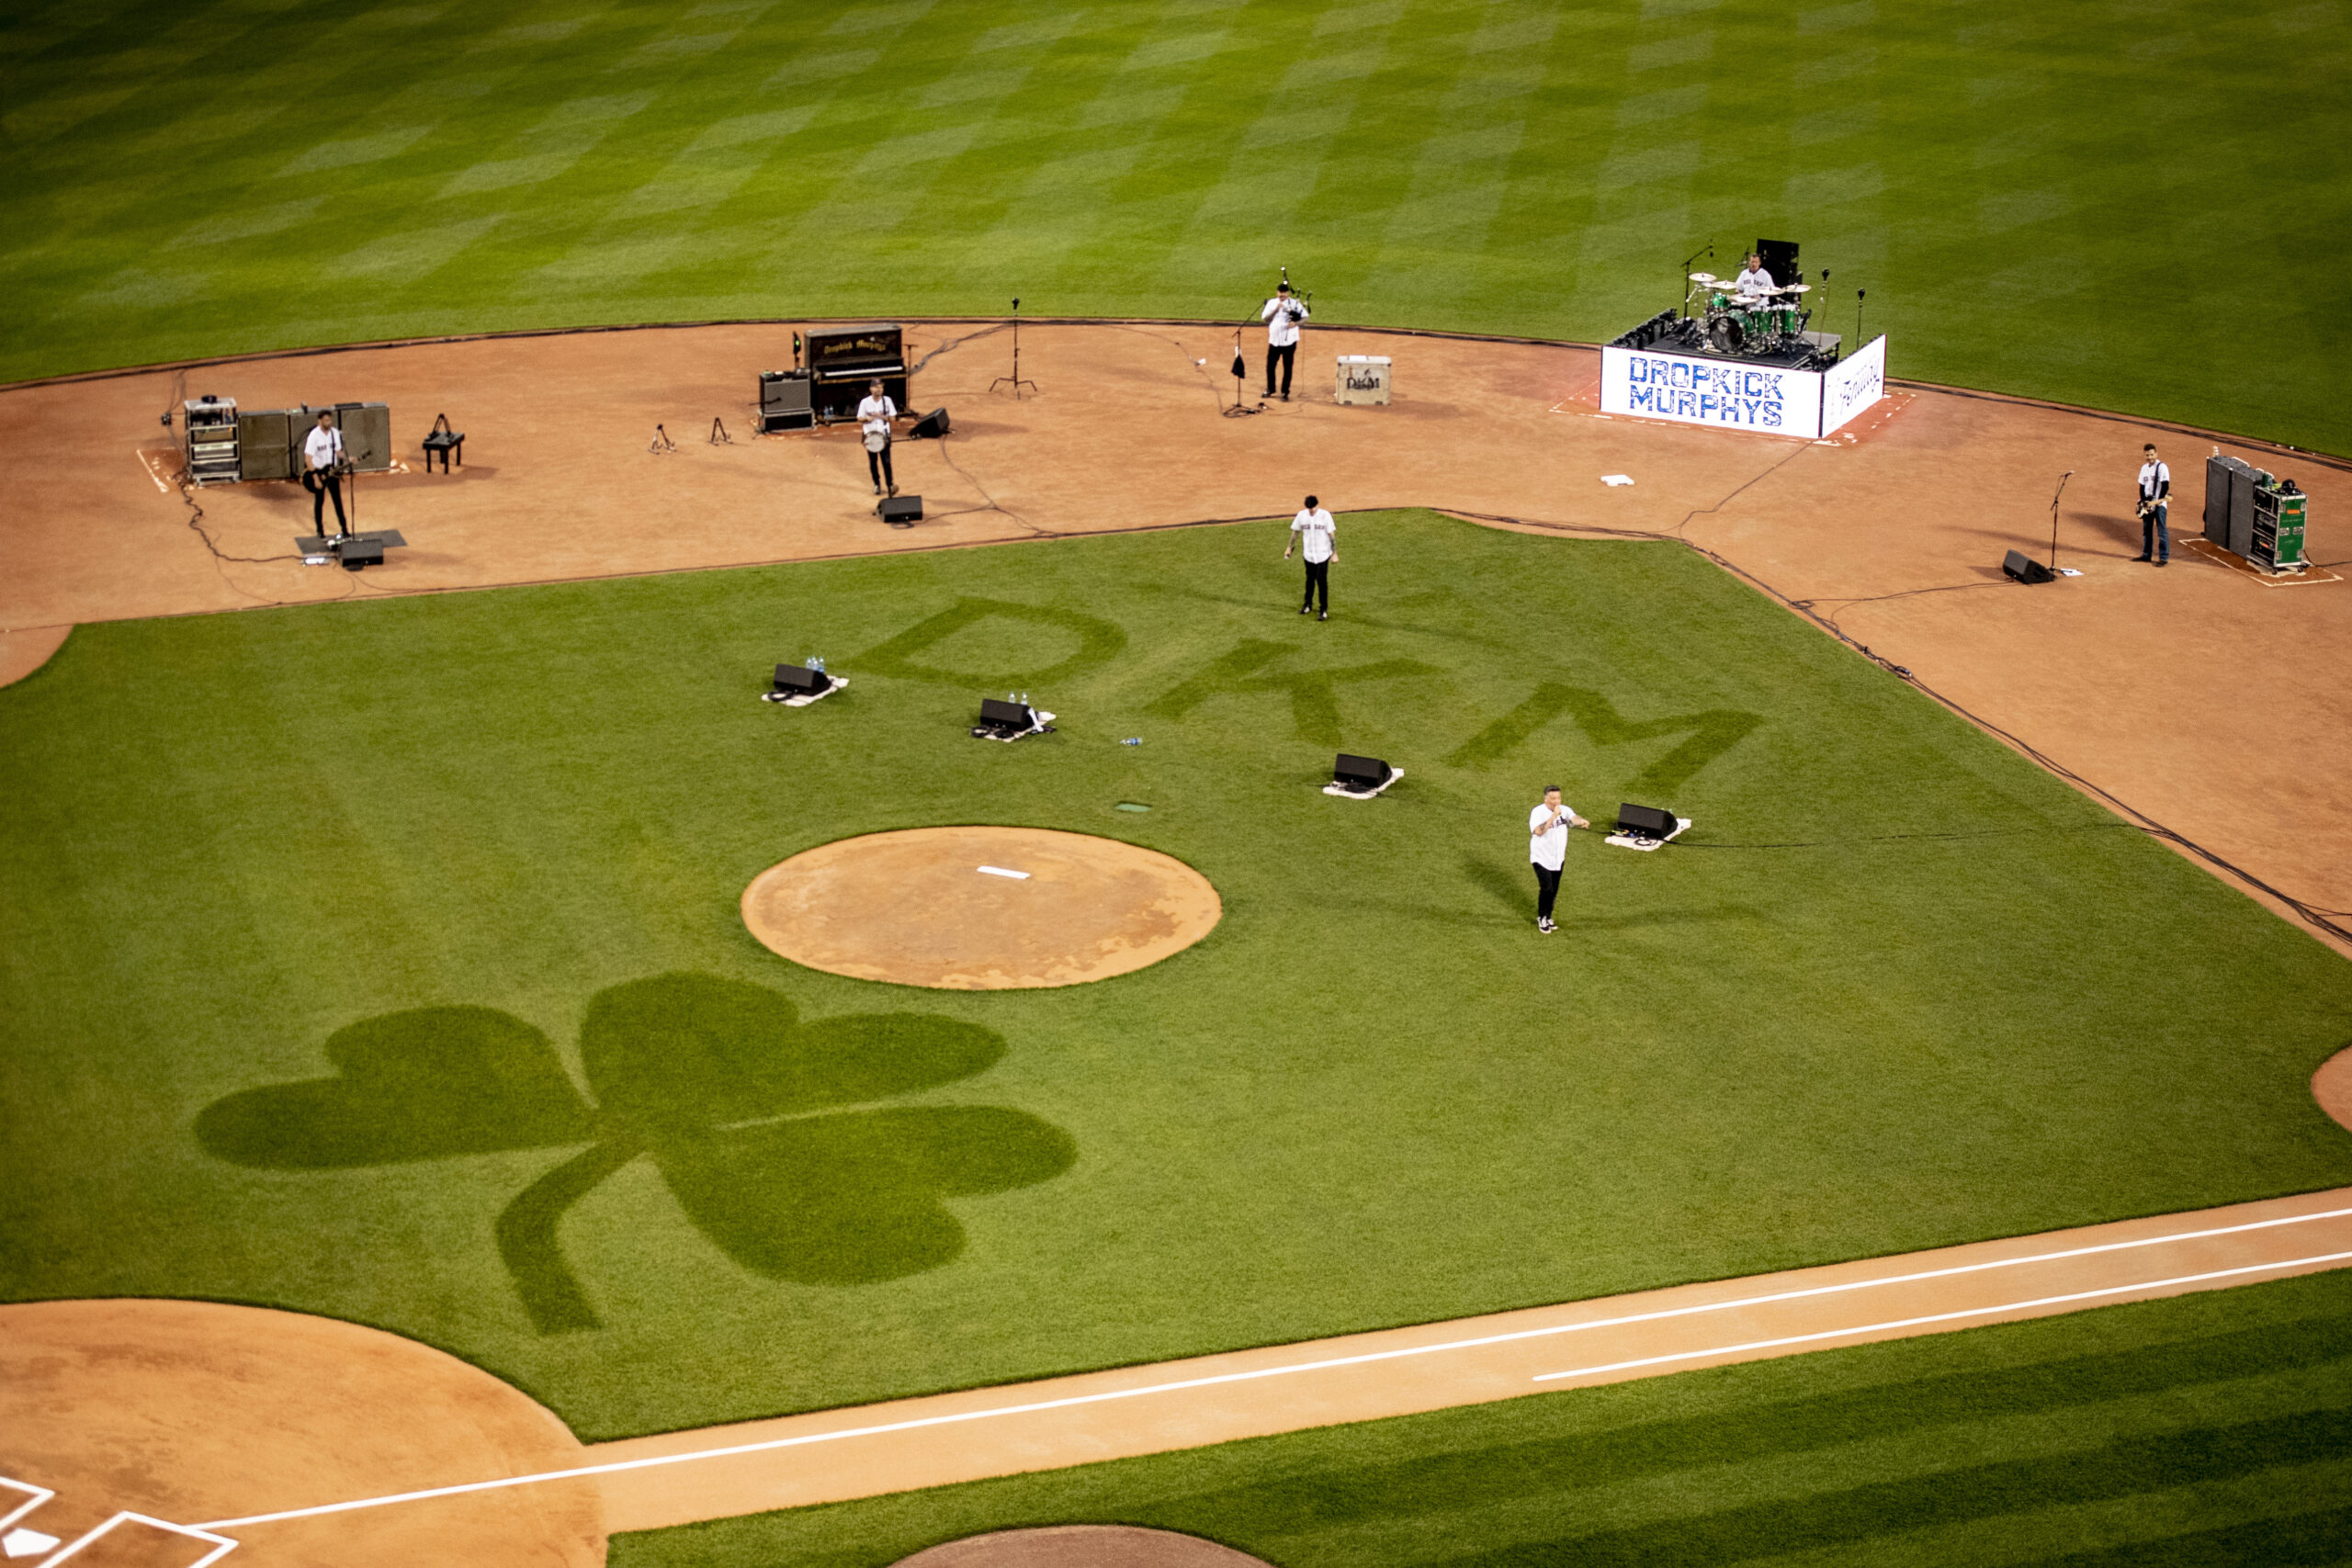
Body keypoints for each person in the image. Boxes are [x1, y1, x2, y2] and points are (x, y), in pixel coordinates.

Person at [1528, 785, 1589, 934]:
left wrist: (1581, 821)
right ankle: (1541, 917)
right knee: (1547, 888)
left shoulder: (1564, 809)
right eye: (1553, 798)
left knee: (1554, 890)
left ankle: (1548, 916)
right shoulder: (1538, 812)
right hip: (1541, 857)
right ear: (1546, 799)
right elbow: (1538, 831)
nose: (1557, 801)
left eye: (1559, 798)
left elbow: (1573, 818)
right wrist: (1553, 816)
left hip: (1558, 858)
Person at [1283, 495, 1336, 619]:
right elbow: (1295, 531)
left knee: (1322, 582)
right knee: (1309, 580)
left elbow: (1331, 534)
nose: (1311, 511)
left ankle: (1323, 610)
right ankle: (1307, 605)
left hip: (1323, 555)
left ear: (1317, 505)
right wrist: (1289, 547)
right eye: (1309, 509)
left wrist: (1334, 553)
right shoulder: (1302, 515)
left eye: (1312, 508)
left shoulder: (1325, 515)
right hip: (1308, 555)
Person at [1259, 281, 1310, 401]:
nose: (1283, 296)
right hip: (1274, 341)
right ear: (1277, 293)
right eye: (1281, 294)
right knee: (1270, 366)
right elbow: (1266, 319)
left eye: (1285, 294)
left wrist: (1296, 323)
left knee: (1288, 367)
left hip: (1289, 342)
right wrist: (1276, 309)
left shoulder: (1294, 304)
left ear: (1288, 293)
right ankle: (1271, 389)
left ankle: (1285, 392)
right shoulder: (1272, 303)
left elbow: (1306, 317)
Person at [301, 411, 348, 538]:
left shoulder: (335, 433)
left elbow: (338, 451)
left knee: (338, 501)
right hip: (319, 472)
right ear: (320, 421)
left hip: (331, 471)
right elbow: (308, 459)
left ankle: (345, 530)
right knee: (319, 502)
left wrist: (349, 458)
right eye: (326, 420)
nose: (329, 422)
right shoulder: (314, 436)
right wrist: (315, 477)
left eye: (329, 420)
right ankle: (320, 531)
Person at [857, 380, 899, 497]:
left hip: (884, 435)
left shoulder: (887, 401)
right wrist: (868, 419)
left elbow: (893, 418)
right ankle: (877, 484)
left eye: (881, 387)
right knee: (873, 462)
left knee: (886, 461)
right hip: (870, 436)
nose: (879, 389)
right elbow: (859, 418)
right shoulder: (865, 402)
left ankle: (890, 485)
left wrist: (881, 416)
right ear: (871, 389)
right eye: (877, 387)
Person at [2134, 442, 2170, 566]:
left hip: (2159, 505)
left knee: (2161, 530)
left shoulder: (2162, 467)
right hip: (2147, 504)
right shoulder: (2144, 468)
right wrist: (2144, 502)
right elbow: (2142, 486)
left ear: (2156, 453)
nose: (2150, 457)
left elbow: (2165, 485)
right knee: (2147, 530)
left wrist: (2158, 502)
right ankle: (2146, 555)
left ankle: (2163, 557)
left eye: (2151, 454)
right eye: (2147, 455)